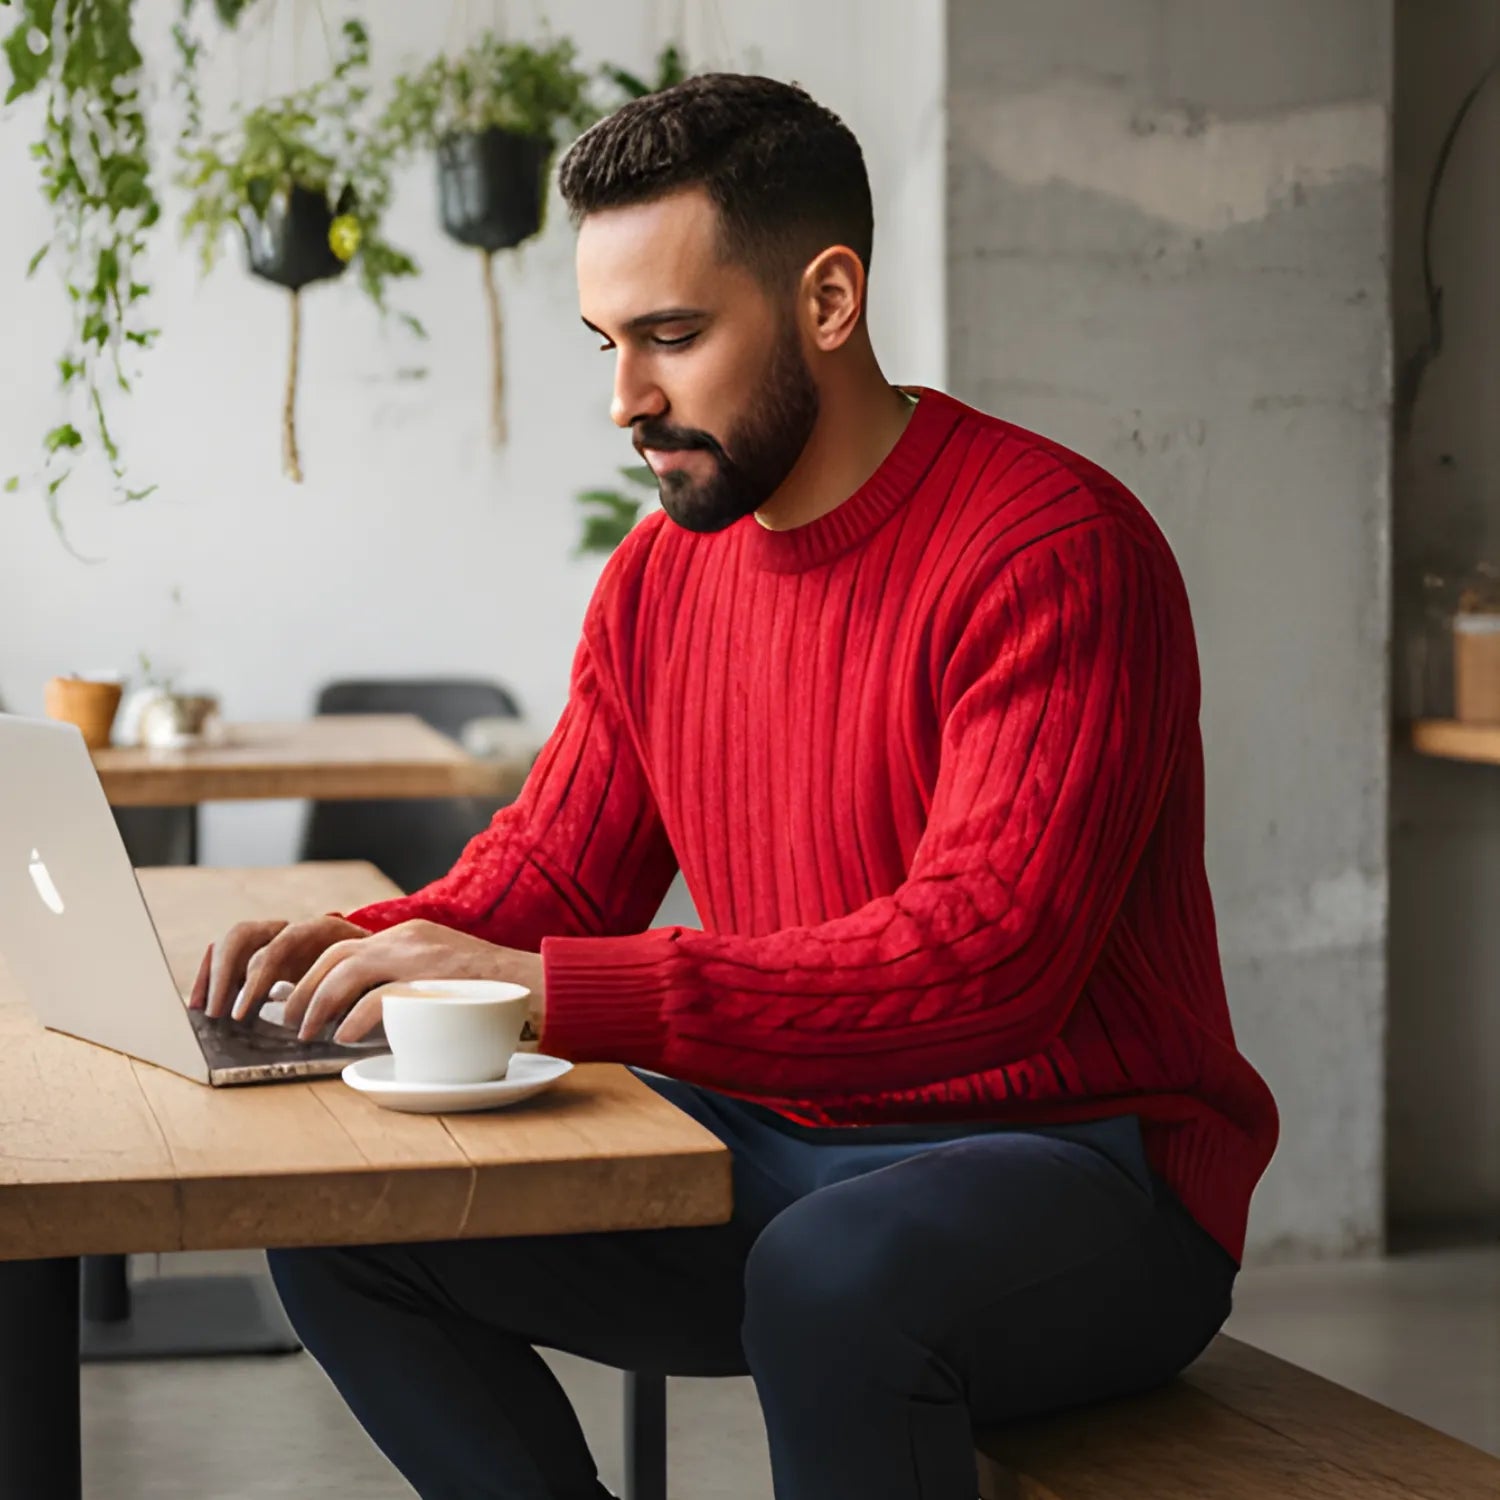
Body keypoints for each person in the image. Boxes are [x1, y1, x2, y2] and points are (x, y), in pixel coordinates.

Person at [192, 73, 1279, 1500]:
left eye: (673, 338)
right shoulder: (660, 575)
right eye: (608, 343)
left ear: (828, 300)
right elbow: (556, 874)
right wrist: (349, 958)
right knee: (352, 1226)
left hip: (1087, 1166)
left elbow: (988, 959)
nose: (626, 400)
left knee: (834, 1279)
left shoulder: (1054, 550)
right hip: (780, 1139)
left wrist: (549, 991)